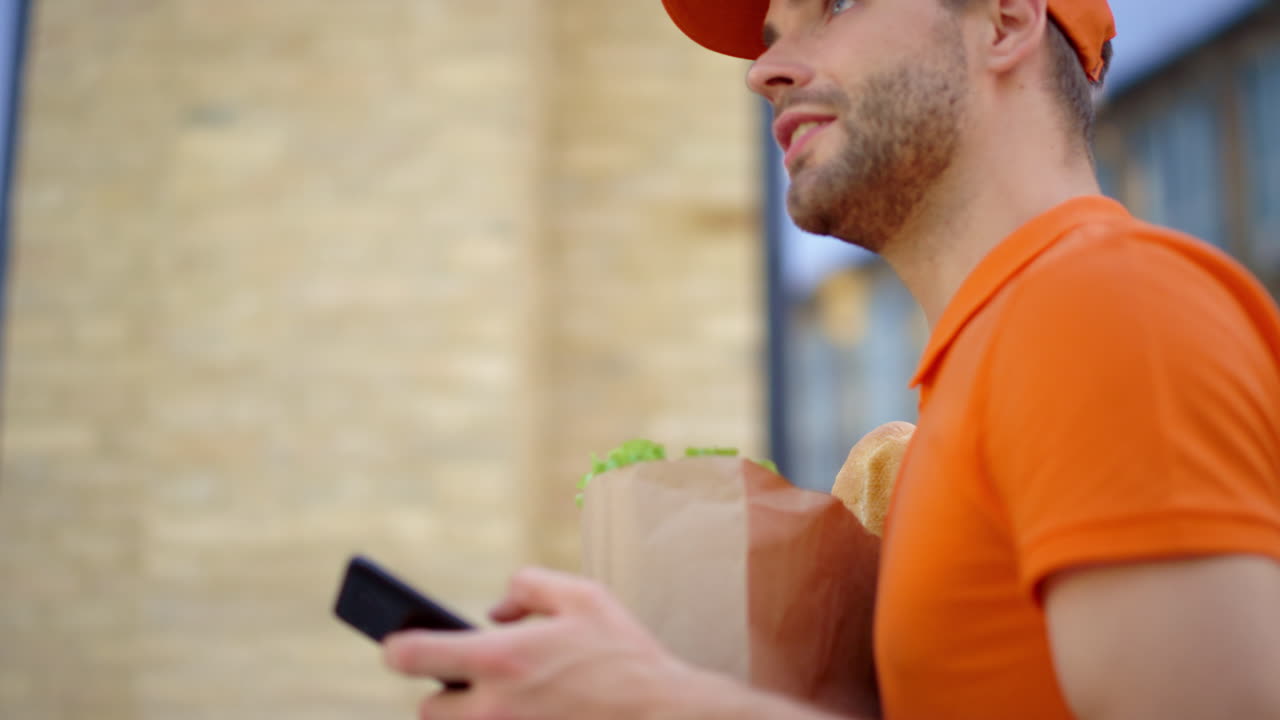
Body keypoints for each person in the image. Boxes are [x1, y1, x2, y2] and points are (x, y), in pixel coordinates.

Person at [383, 0, 1280, 717]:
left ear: (1004, 22)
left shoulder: (1102, 304)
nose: (764, 72)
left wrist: (658, 703)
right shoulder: (951, 405)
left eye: (836, 6)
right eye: (773, 35)